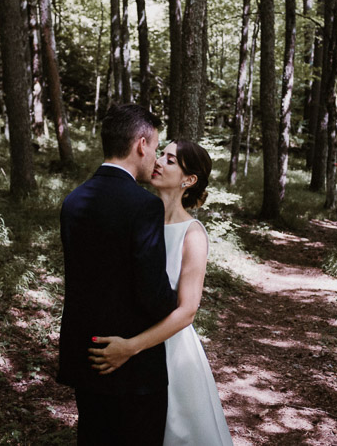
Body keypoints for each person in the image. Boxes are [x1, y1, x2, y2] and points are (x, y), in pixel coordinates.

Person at [90, 139, 232, 445]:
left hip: (170, 350)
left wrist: (130, 347)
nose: (158, 161)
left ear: (189, 179)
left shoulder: (192, 234)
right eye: (161, 154)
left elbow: (188, 309)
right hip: (127, 342)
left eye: (170, 160)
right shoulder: (140, 216)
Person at [58, 103, 177, 445]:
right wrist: (179, 302)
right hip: (131, 363)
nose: (155, 158)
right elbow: (153, 293)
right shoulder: (144, 206)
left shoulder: (74, 201)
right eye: (155, 148)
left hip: (86, 355)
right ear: (141, 144)